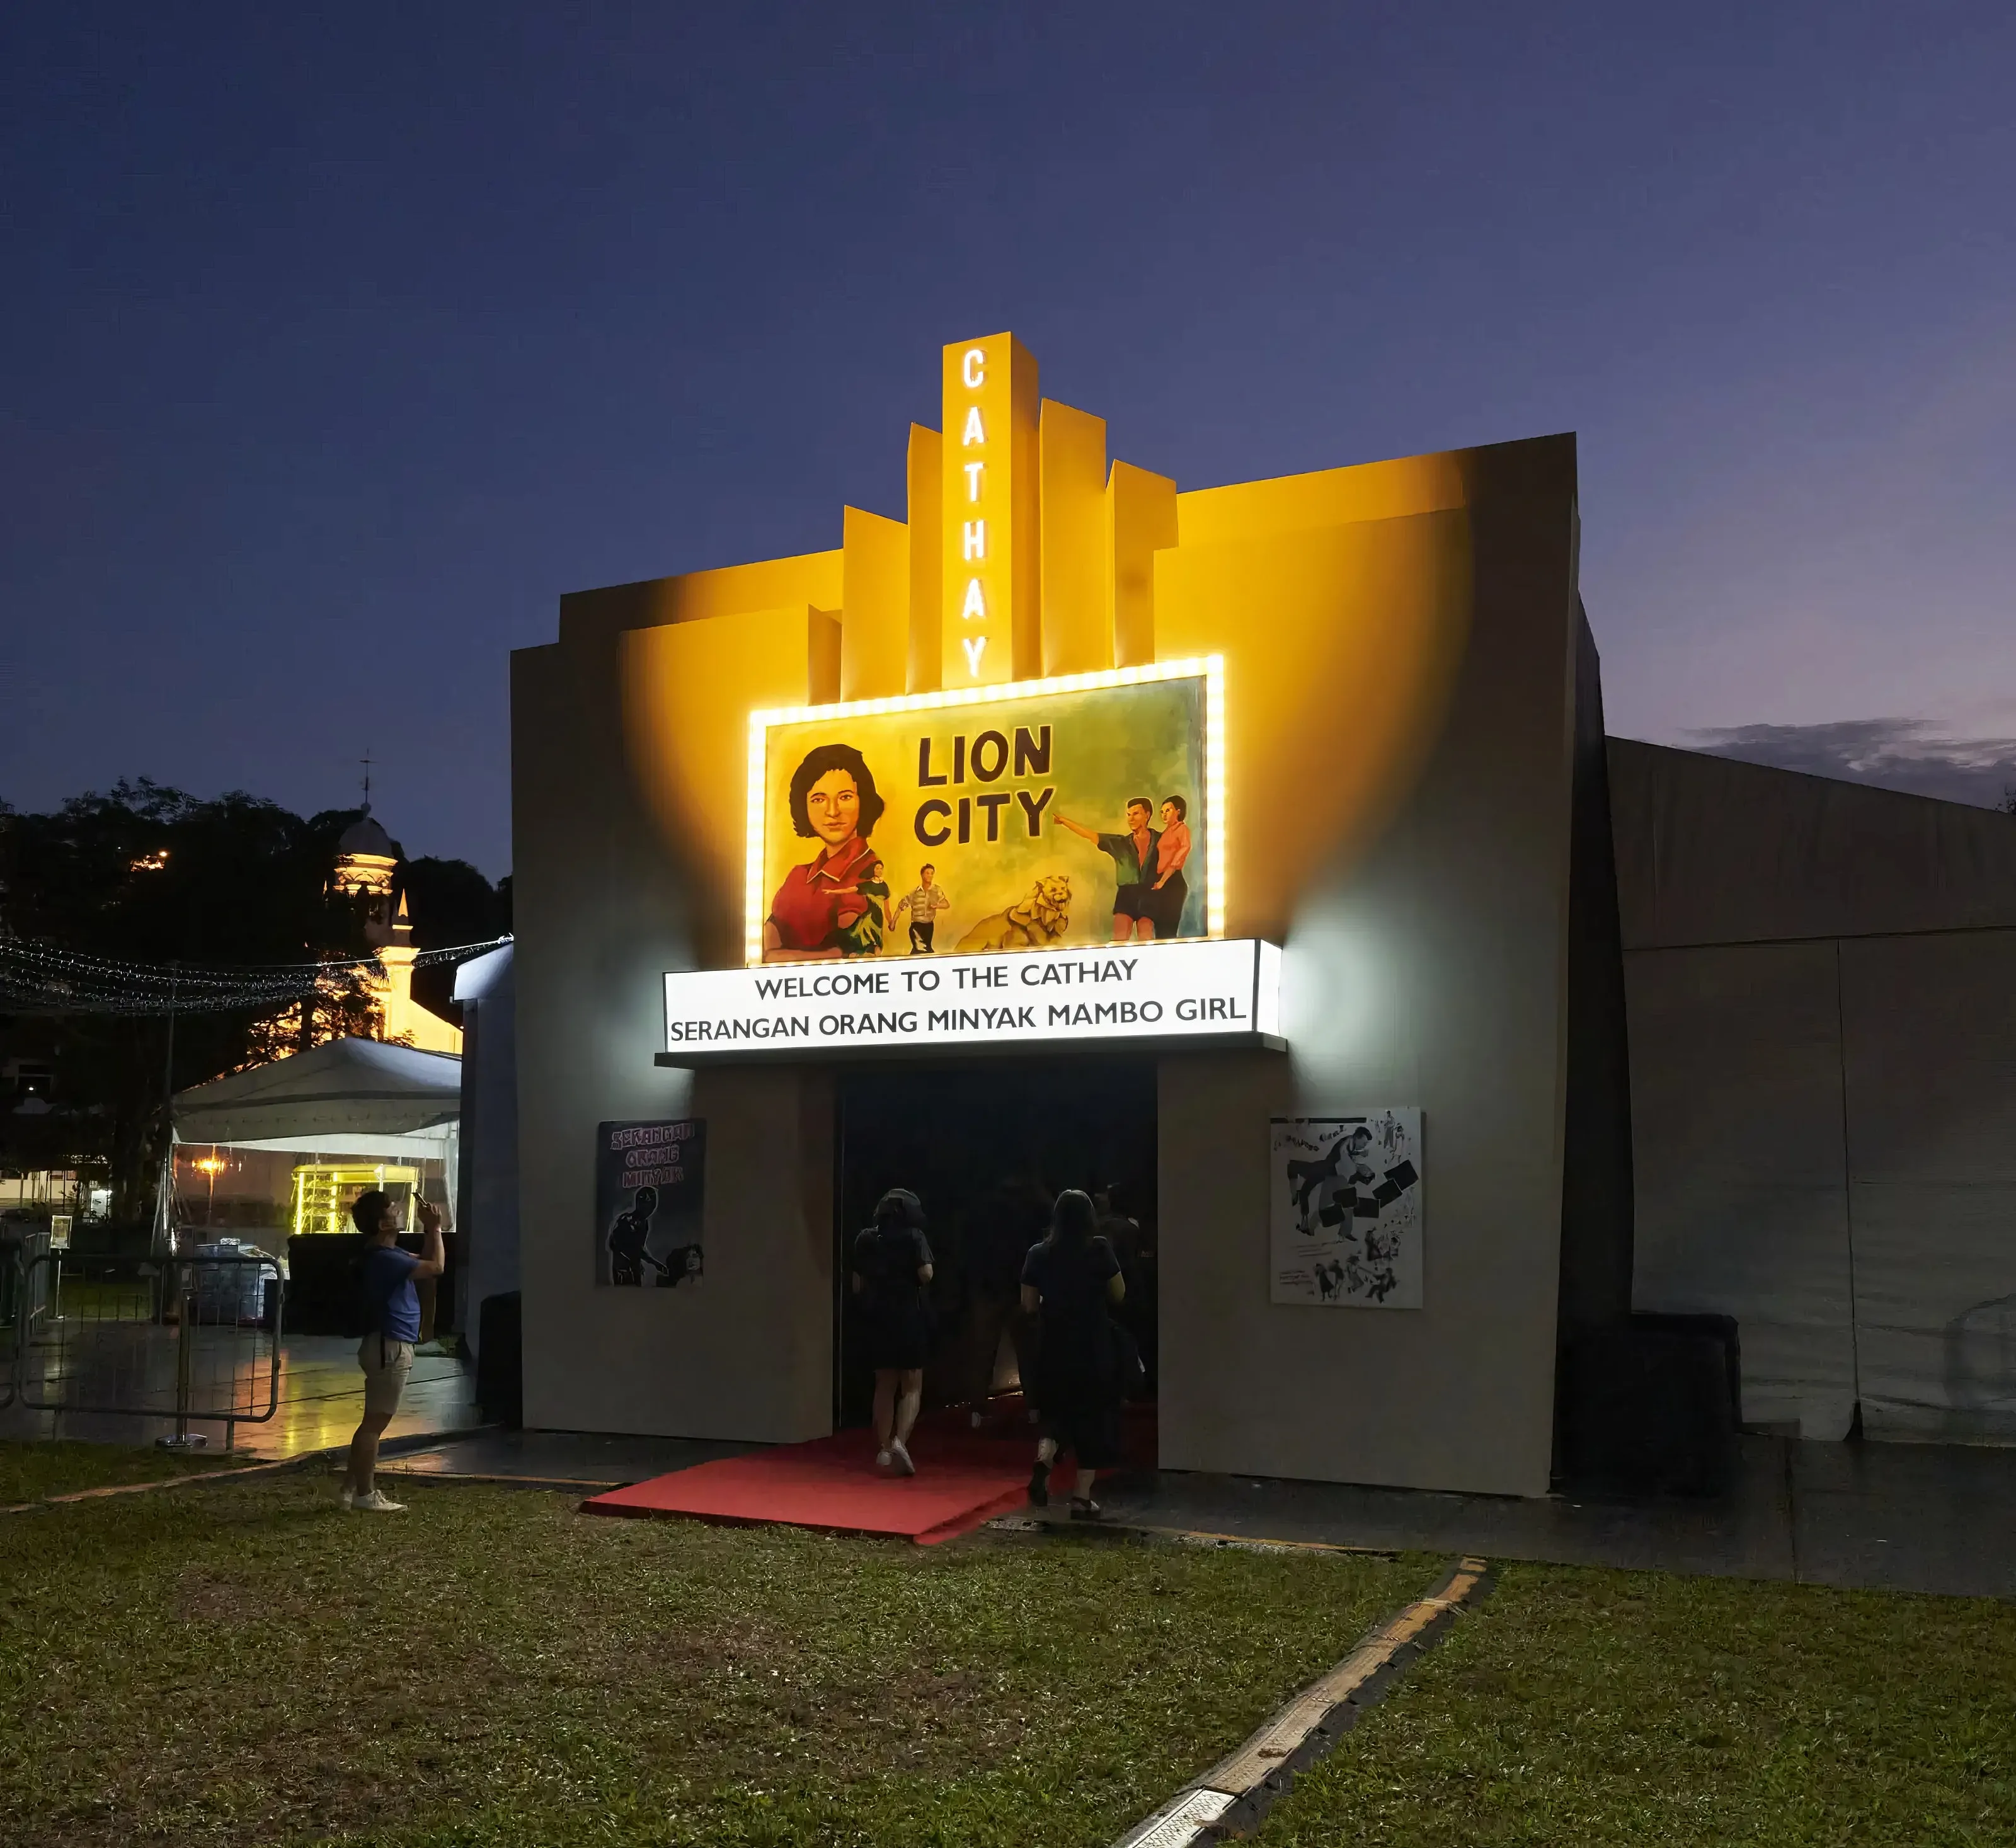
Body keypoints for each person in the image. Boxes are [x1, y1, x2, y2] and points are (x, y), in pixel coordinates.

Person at [1020, 1188, 1126, 1518]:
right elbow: (1119, 1294)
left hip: (1053, 1343)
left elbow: (1027, 1305)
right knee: (1093, 1418)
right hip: (1092, 1344)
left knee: (1056, 1413)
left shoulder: (1038, 1253)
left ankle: (1045, 1456)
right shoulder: (1099, 1249)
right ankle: (1081, 1499)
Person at [343, 1188, 444, 1512]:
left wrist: (431, 1230)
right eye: (393, 1208)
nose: (400, 1210)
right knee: (374, 1424)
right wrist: (435, 1228)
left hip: (385, 1345)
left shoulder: (385, 1255)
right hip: (391, 1346)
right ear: (383, 1223)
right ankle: (364, 1494)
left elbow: (428, 1262)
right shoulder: (385, 1259)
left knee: (370, 1422)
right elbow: (437, 1268)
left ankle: (349, 1489)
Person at [764, 742, 890, 961]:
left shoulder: (868, 873)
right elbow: (765, 941)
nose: (832, 812)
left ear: (864, 801)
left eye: (845, 797)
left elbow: (843, 954)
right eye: (819, 799)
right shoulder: (797, 877)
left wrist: (776, 956)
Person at [850, 1188, 934, 1474]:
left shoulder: (865, 1239)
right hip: (909, 1314)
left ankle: (884, 1449)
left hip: (878, 1317)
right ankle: (901, 1441)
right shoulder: (915, 1237)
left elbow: (857, 1286)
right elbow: (926, 1274)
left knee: (884, 1384)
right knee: (911, 1384)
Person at [1053, 798, 1161, 942]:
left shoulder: (1160, 839)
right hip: (1126, 895)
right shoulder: (1120, 843)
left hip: (1149, 894)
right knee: (1119, 941)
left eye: (1136, 814)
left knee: (1147, 940)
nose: (1131, 819)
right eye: (1128, 814)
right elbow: (1090, 835)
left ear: (1147, 815)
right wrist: (1064, 822)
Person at [1145, 795, 1192, 939]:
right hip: (1162, 882)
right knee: (1160, 929)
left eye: (1168, 810)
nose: (1164, 814)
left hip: (1172, 882)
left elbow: (1179, 857)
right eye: (1162, 811)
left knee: (1168, 930)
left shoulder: (1182, 829)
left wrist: (1163, 881)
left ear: (1178, 811)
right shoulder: (1166, 832)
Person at [892, 862, 951, 954]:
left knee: (920, 951)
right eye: (928, 873)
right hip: (916, 926)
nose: (930, 876)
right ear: (922, 875)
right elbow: (901, 906)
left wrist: (937, 906)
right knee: (923, 950)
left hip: (929, 926)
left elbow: (946, 904)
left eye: (932, 873)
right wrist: (893, 922)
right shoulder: (914, 893)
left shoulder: (937, 890)